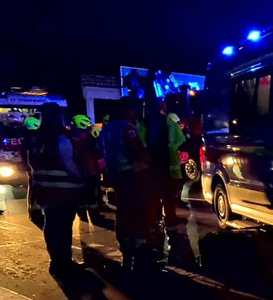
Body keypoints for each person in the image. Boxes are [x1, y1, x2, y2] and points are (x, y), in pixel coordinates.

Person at [27, 103, 83, 274]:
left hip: (43, 189)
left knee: (51, 225)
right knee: (64, 226)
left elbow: (30, 162)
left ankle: (55, 260)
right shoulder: (61, 138)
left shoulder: (35, 139)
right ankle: (65, 261)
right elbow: (69, 164)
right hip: (63, 190)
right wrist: (80, 179)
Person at [101, 97, 152, 268]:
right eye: (134, 110)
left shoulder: (107, 129)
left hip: (115, 176)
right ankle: (138, 245)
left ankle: (125, 243)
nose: (136, 114)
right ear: (127, 110)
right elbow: (138, 153)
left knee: (123, 212)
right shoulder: (127, 128)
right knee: (137, 211)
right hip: (131, 176)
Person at [70, 114, 103, 222]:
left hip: (77, 169)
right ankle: (94, 215)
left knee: (80, 193)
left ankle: (82, 215)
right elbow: (96, 150)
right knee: (92, 193)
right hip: (89, 168)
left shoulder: (71, 135)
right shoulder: (86, 136)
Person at [163, 111, 187, 226]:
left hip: (160, 164)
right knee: (171, 193)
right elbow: (182, 142)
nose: (180, 124)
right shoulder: (171, 125)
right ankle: (170, 217)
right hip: (173, 163)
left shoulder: (150, 124)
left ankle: (164, 217)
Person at [21, 116, 44, 227]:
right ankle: (35, 213)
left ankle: (34, 212)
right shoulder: (32, 138)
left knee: (33, 191)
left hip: (32, 168)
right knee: (35, 191)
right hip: (34, 169)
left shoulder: (27, 138)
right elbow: (31, 155)